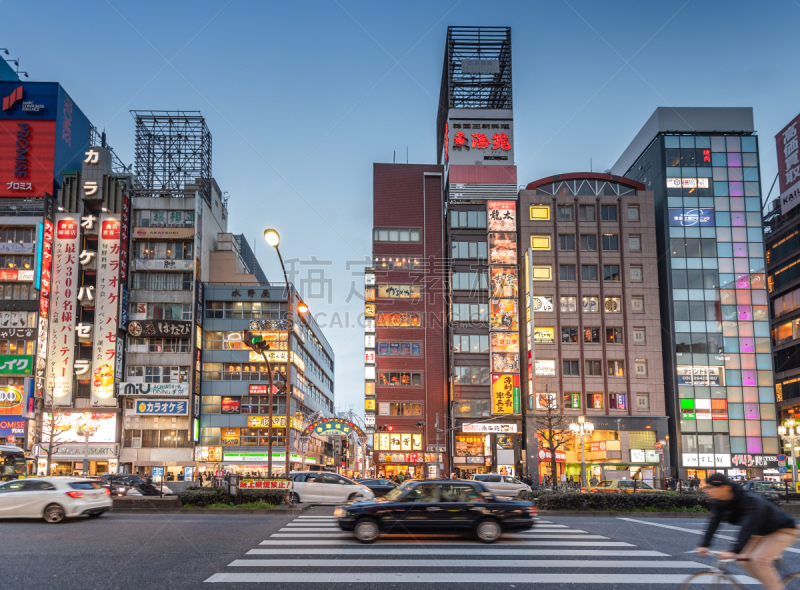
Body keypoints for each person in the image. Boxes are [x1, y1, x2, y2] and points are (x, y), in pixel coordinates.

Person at [697, 473, 797, 590]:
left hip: (783, 530)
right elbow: (714, 521)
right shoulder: (719, 502)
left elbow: (747, 527)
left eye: (711, 488)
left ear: (726, 488)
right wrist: (704, 544)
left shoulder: (750, 501)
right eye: (706, 488)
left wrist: (734, 551)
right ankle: (772, 585)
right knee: (743, 559)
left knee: (759, 560)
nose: (707, 491)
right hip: (760, 531)